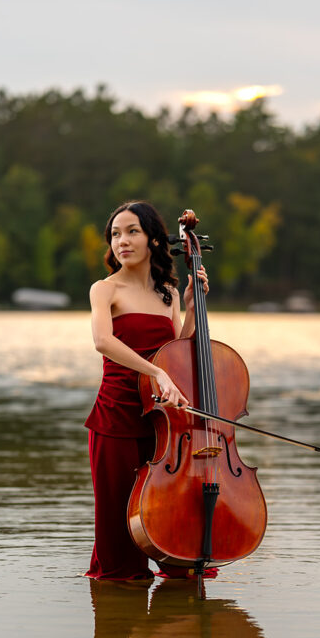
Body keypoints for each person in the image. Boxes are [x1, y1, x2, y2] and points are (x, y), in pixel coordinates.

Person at [85, 200, 208, 580]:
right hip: (117, 414)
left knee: (165, 513)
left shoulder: (168, 292)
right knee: (118, 528)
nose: (122, 240)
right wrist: (157, 371)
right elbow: (103, 342)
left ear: (155, 239)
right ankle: (115, 613)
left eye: (132, 231)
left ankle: (177, 562)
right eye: (116, 234)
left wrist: (192, 307)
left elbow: (179, 351)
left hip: (161, 420)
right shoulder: (104, 290)